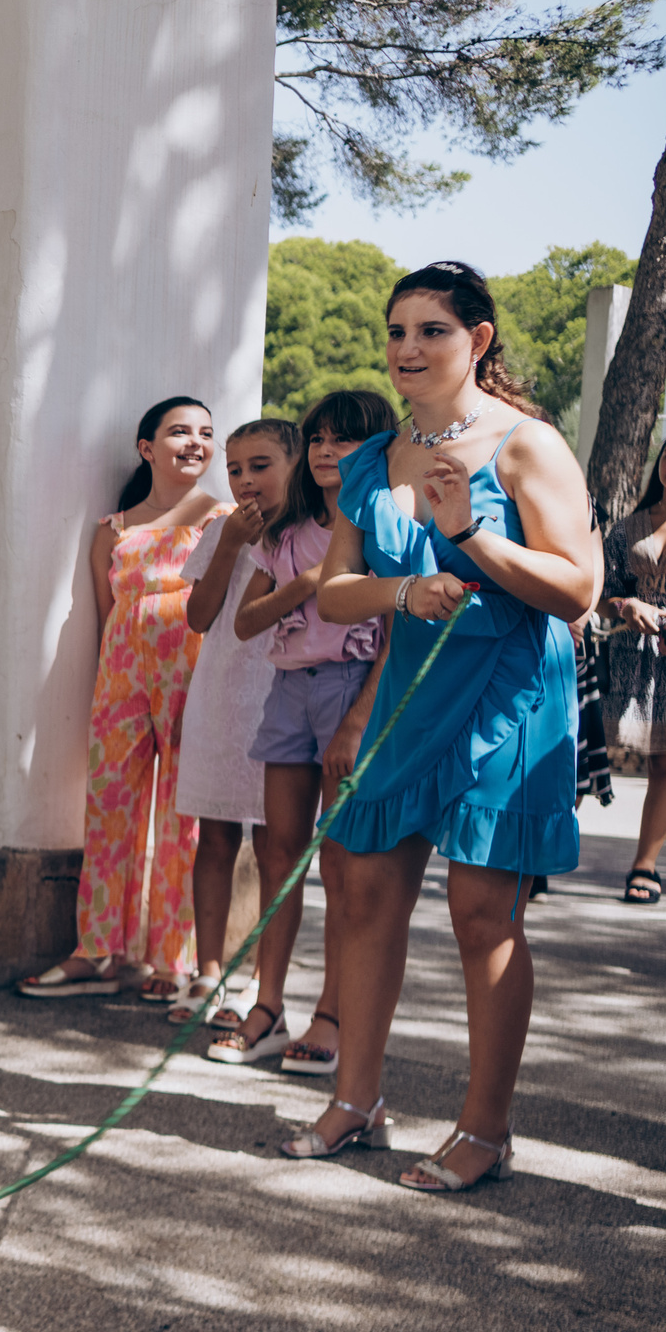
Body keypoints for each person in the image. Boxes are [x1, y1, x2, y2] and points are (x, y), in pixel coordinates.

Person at [289, 261, 599, 1192]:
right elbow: (337, 591)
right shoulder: (373, 456)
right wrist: (404, 589)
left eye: (432, 330)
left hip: (507, 688)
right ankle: (357, 1102)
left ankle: (486, 1128)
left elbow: (579, 585)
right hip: (409, 697)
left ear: (480, 340)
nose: (409, 348)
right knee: (367, 892)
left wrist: (468, 535)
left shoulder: (529, 445)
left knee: (480, 914)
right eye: (397, 331)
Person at [20, 398, 226, 1002]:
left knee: (183, 818)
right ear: (146, 448)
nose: (196, 442)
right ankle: (97, 950)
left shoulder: (225, 518)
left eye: (206, 434)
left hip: (194, 672)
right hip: (121, 677)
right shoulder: (114, 529)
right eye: (180, 431)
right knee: (108, 806)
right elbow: (111, 616)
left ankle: (172, 957)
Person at [214, 390, 395, 1071]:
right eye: (317, 438)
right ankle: (269, 1005)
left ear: (376, 447)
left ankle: (334, 1012)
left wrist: (358, 718)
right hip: (289, 689)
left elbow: (394, 637)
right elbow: (246, 622)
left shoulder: (383, 528)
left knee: (344, 863)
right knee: (277, 854)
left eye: (343, 439)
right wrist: (309, 584)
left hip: (352, 690)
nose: (325, 450)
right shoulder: (284, 535)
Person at [164, 418, 290, 1022]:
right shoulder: (221, 530)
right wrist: (233, 543)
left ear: (295, 466)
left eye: (260, 466)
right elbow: (199, 615)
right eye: (235, 469)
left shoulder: (315, 532)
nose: (244, 480)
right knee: (213, 837)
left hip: (282, 692)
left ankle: (264, 978)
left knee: (276, 843)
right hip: (221, 692)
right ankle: (207, 971)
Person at [599, 436, 666, 904]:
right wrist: (625, 605)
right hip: (628, 658)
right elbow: (596, 591)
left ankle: (644, 865)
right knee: (593, 752)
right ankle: (535, 860)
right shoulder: (628, 528)